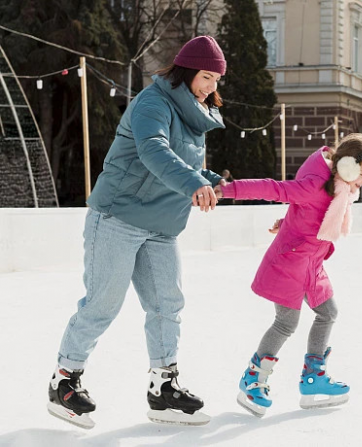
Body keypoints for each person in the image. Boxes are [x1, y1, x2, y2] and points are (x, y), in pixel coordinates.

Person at [47, 35, 228, 429]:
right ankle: (64, 380)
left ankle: (163, 390)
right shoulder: (153, 102)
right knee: (103, 303)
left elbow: (183, 164)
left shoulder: (194, 113)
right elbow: (154, 150)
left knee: (168, 303)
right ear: (185, 71)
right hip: (118, 217)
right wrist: (194, 184)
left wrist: (214, 181)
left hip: (161, 226)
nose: (212, 86)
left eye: (216, 79)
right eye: (206, 76)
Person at [215, 134, 362, 417]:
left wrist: (290, 223)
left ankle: (313, 379)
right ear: (348, 167)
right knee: (286, 323)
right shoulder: (316, 186)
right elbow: (272, 189)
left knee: (328, 312)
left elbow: (309, 215)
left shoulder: (340, 189)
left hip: (310, 263)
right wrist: (225, 191)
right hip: (290, 263)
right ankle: (253, 379)